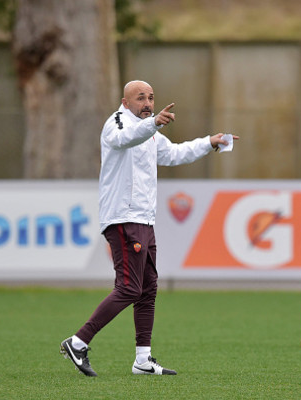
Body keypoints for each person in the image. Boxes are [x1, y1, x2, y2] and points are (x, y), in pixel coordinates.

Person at [60, 80, 238, 377]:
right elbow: (124, 139)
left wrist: (209, 142)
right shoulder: (118, 123)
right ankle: (78, 342)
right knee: (129, 287)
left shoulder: (150, 131)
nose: (147, 102)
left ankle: (143, 359)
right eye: (140, 97)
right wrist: (153, 123)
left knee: (148, 288)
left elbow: (174, 154)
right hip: (123, 217)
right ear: (125, 102)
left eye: (151, 98)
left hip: (143, 218)